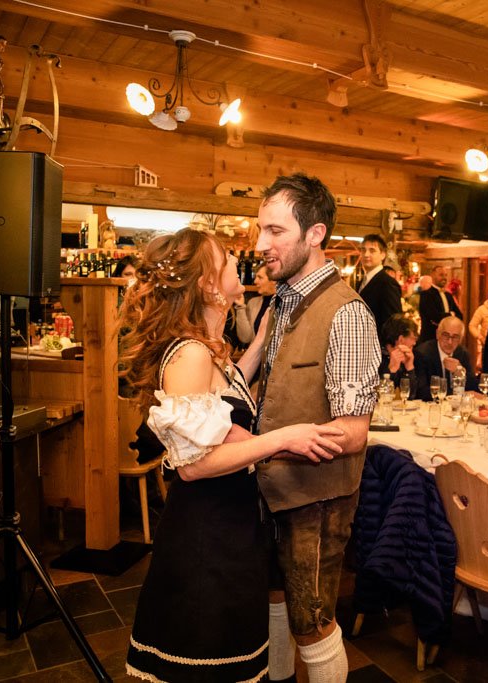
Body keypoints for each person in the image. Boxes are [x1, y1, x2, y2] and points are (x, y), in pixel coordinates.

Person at [120, 230, 344, 682]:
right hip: (206, 536)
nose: (237, 263)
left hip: (230, 527)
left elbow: (220, 398)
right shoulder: (190, 354)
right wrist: (284, 439)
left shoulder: (207, 350)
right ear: (206, 283)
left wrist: (260, 341)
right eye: (224, 260)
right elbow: (195, 465)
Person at [253, 173, 381, 682]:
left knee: (313, 621)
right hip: (273, 487)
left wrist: (272, 445)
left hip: (317, 498)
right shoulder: (283, 298)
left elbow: (353, 432)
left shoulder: (347, 313)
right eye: (260, 229)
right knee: (275, 598)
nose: (261, 244)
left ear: (315, 234)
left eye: (276, 231)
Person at [414, 316, 477, 400]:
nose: (450, 342)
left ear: (461, 339)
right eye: (445, 335)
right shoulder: (422, 353)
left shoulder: (463, 353)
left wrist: (460, 372)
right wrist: (459, 394)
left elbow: (473, 387)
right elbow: (421, 392)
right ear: (437, 334)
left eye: (455, 337)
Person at [356, 233, 402, 333]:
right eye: (363, 250)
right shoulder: (360, 282)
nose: (366, 254)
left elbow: (393, 322)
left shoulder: (388, 283)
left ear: (383, 254)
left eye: (372, 250)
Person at [418, 264, 463, 343]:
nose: (444, 278)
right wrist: (452, 315)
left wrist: (448, 316)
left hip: (448, 340)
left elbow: (460, 315)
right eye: (441, 275)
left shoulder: (448, 295)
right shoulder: (426, 295)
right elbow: (434, 317)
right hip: (430, 339)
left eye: (446, 275)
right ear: (432, 275)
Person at [234, 265, 277, 346]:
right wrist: (240, 307)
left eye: (260, 277)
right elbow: (245, 338)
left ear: (274, 279)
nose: (255, 281)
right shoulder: (253, 302)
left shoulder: (285, 303)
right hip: (256, 357)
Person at [378, 314, 418, 398]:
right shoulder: (377, 357)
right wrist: (391, 370)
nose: (414, 343)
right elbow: (379, 396)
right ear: (401, 339)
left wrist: (409, 367)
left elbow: (410, 397)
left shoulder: (406, 357)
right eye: (413, 338)